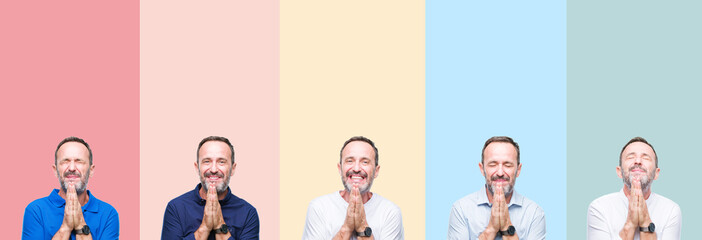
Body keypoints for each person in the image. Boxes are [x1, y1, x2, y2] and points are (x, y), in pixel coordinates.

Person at [302, 136, 404, 240]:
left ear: (376, 171)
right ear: (340, 169)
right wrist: (346, 228)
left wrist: (362, 226)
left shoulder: (390, 212)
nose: (356, 169)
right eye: (350, 161)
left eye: (365, 162)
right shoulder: (319, 207)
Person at [448, 136, 545, 240]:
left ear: (518, 170)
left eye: (507, 165)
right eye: (492, 164)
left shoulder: (534, 213)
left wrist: (506, 226)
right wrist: (491, 229)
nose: (500, 173)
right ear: (482, 169)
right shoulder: (461, 209)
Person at [161, 136, 259, 240]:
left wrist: (220, 225)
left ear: (233, 168)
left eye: (221, 161)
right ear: (197, 167)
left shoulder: (248, 213)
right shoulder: (176, 208)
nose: (213, 169)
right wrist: (205, 227)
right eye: (207, 161)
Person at [22, 136, 119, 240]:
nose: (72, 168)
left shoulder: (108, 213)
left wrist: (80, 225)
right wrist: (66, 227)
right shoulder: (36, 210)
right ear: (55, 170)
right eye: (65, 161)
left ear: (91, 170)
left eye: (79, 161)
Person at [587, 137, 681, 240]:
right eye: (631, 157)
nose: (637, 161)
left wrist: (645, 222)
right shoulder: (599, 208)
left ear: (656, 173)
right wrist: (630, 224)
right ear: (619, 172)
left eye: (645, 157)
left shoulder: (670, 210)